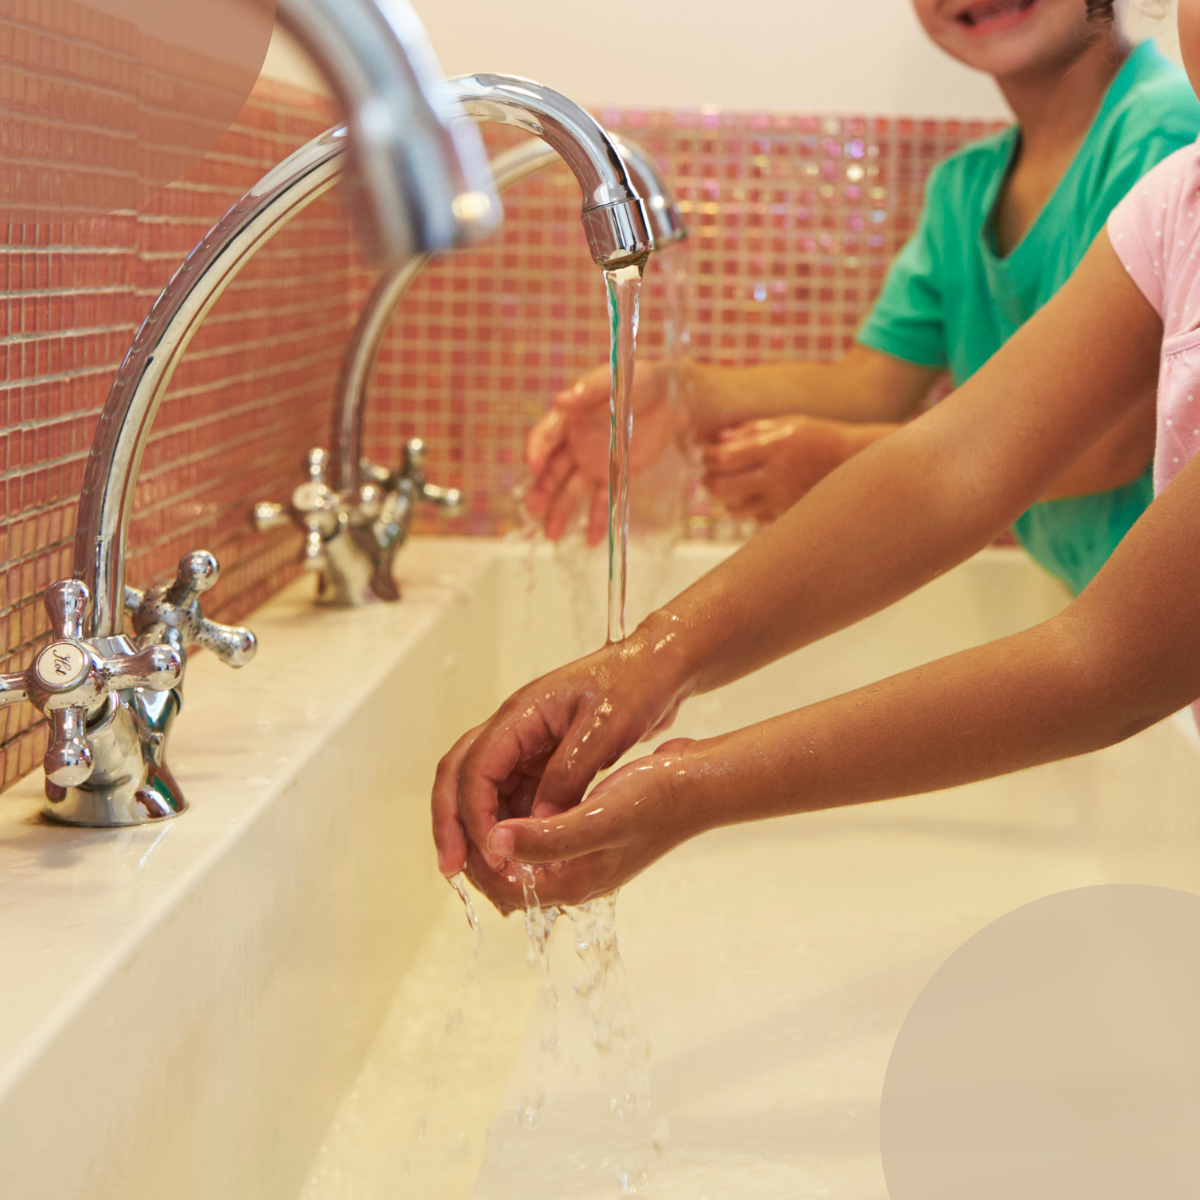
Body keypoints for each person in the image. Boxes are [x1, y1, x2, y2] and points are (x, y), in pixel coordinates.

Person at [432, 0, 1200, 912]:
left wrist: (691, 787)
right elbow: (951, 463)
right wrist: (643, 663)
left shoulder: (1153, 133)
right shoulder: (1177, 202)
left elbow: (1104, 659)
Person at [525, 0, 1200, 596]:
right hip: (1091, 605)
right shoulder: (965, 190)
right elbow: (869, 386)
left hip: (1162, 638)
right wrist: (683, 398)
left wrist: (843, 463)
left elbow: (1116, 439)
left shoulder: (1166, 129)